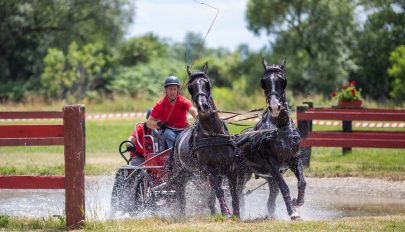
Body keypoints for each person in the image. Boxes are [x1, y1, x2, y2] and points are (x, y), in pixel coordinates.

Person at [146, 75, 198, 149]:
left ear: (178, 90)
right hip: (168, 131)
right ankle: (174, 154)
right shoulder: (160, 104)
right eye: (170, 89)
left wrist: (199, 118)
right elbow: (149, 123)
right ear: (166, 90)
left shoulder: (183, 101)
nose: (172, 92)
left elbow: (192, 110)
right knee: (168, 133)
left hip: (183, 130)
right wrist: (159, 124)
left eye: (174, 89)